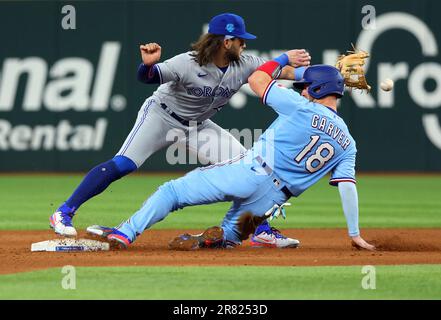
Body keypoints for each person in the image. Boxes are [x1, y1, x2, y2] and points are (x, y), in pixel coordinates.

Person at [49, 12, 311, 248]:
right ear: (226, 41)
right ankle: (64, 211)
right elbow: (148, 78)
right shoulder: (188, 63)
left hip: (199, 125)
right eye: (241, 40)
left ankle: (259, 230)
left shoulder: (245, 64)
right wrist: (148, 64)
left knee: (252, 170)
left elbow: (288, 73)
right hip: (162, 116)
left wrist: (329, 74)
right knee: (124, 164)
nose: (245, 44)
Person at [86, 56, 376, 251]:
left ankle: (125, 233)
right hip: (272, 200)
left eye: (305, 87)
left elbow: (257, 80)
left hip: (251, 172)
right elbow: (347, 188)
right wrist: (354, 233)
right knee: (229, 238)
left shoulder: (301, 106)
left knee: (171, 193)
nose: (301, 91)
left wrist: (286, 62)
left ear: (317, 88)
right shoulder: (348, 143)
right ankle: (207, 241)